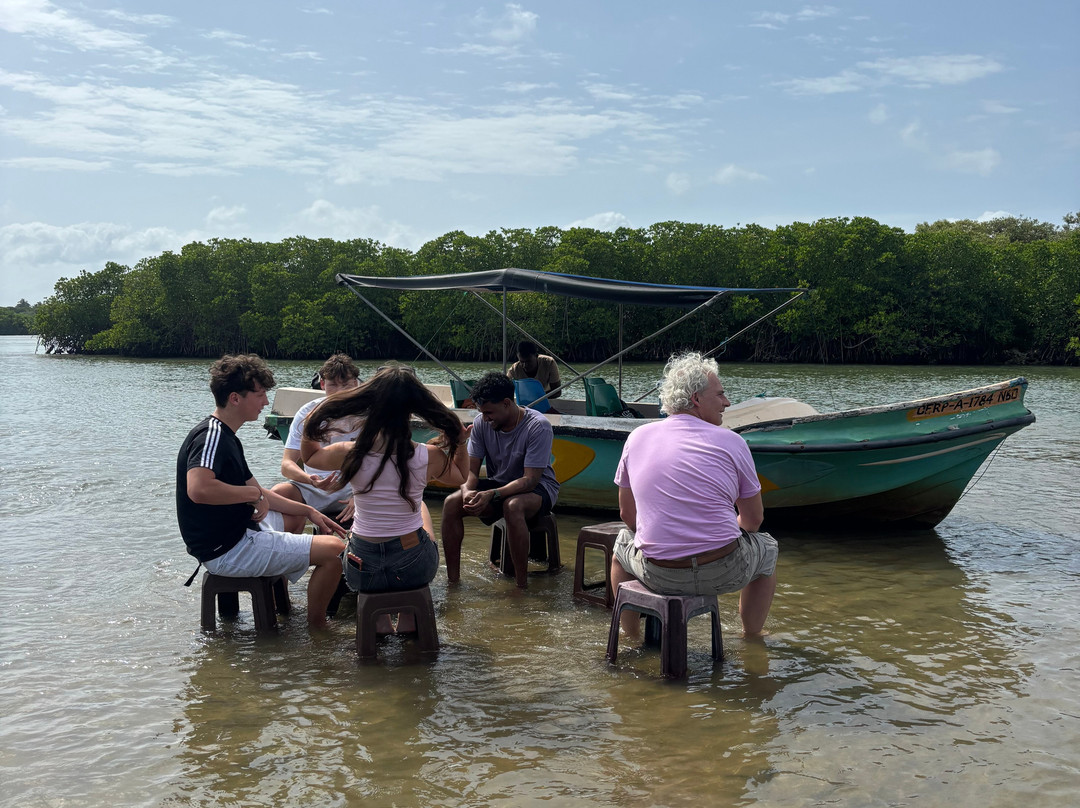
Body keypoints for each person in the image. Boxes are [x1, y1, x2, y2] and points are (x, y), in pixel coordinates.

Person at [610, 351, 777, 638]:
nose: (727, 403)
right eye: (721, 395)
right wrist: (712, 536)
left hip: (658, 574)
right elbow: (753, 520)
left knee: (621, 544)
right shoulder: (732, 442)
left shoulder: (636, 437)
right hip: (724, 571)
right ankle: (751, 638)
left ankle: (631, 636)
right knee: (768, 548)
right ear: (696, 399)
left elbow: (627, 514)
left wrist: (664, 541)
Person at [175, 354, 347, 630]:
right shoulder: (212, 437)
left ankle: (279, 603)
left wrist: (309, 511)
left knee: (293, 519)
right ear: (235, 398)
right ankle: (318, 627)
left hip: (238, 531)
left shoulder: (226, 436)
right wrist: (251, 497)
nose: (266, 402)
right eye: (260, 395)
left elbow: (258, 490)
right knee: (336, 551)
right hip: (228, 548)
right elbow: (199, 488)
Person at [300, 365, 469, 630]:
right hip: (413, 565)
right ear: (412, 410)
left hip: (361, 565)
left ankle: (377, 630)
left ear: (370, 403)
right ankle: (409, 626)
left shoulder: (349, 452)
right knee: (421, 508)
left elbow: (309, 457)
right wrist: (460, 442)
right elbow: (460, 476)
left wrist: (315, 415)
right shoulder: (428, 456)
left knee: (370, 575)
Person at [441, 371, 560, 588]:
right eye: (482, 413)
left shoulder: (538, 426)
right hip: (500, 483)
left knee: (512, 506)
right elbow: (471, 471)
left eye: (489, 413)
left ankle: (521, 586)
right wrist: (468, 491)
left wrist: (492, 494)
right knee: (452, 503)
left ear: (507, 403)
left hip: (539, 488)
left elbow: (530, 480)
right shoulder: (481, 424)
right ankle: (453, 582)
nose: (485, 419)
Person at [270, 354, 362, 533]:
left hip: (355, 488)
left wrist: (361, 495)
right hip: (315, 487)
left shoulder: (369, 413)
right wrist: (310, 480)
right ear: (322, 385)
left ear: (356, 384)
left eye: (346, 385)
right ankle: (289, 550)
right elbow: (287, 465)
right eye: (333, 385)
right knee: (277, 493)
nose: (340, 392)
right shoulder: (307, 413)